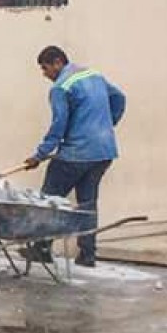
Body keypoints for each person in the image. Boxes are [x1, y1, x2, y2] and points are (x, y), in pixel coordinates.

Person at [23, 46, 126, 268]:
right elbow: (119, 97)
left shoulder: (61, 87)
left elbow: (59, 125)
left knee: (49, 200)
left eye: (45, 68)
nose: (45, 74)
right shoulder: (93, 74)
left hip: (76, 154)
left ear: (58, 62)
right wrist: (109, 124)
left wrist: (39, 155)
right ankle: (88, 255)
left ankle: (41, 249)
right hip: (104, 152)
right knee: (87, 203)